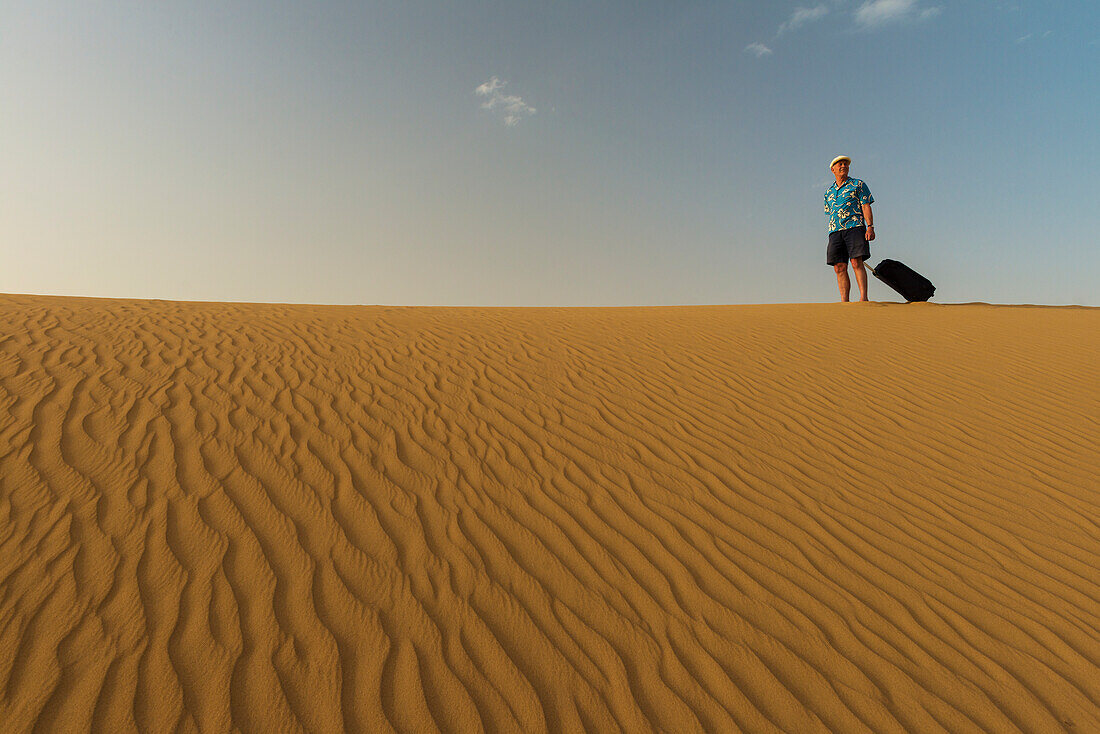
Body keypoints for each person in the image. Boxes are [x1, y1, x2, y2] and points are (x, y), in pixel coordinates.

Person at [824, 155, 875, 302]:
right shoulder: (828, 192)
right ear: (833, 169)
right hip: (835, 231)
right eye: (839, 164)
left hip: (855, 227)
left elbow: (866, 205)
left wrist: (870, 227)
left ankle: (863, 298)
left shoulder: (858, 184)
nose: (843, 166)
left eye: (845, 164)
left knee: (856, 262)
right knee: (839, 267)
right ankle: (844, 301)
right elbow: (829, 211)